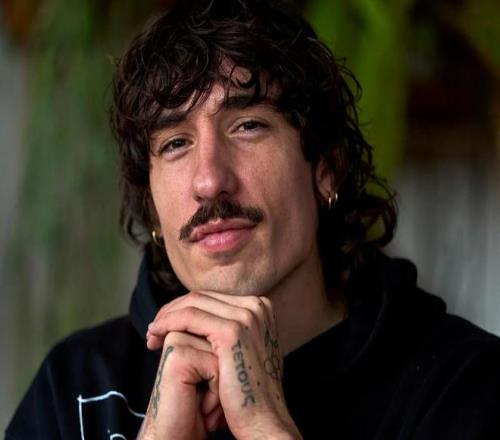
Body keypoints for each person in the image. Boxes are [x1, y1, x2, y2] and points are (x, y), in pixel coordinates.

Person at [6, 0, 500, 439]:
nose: (209, 180)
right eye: (175, 143)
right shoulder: (73, 390)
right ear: (152, 206)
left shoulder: (464, 386)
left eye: (247, 126)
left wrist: (266, 428)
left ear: (325, 169)